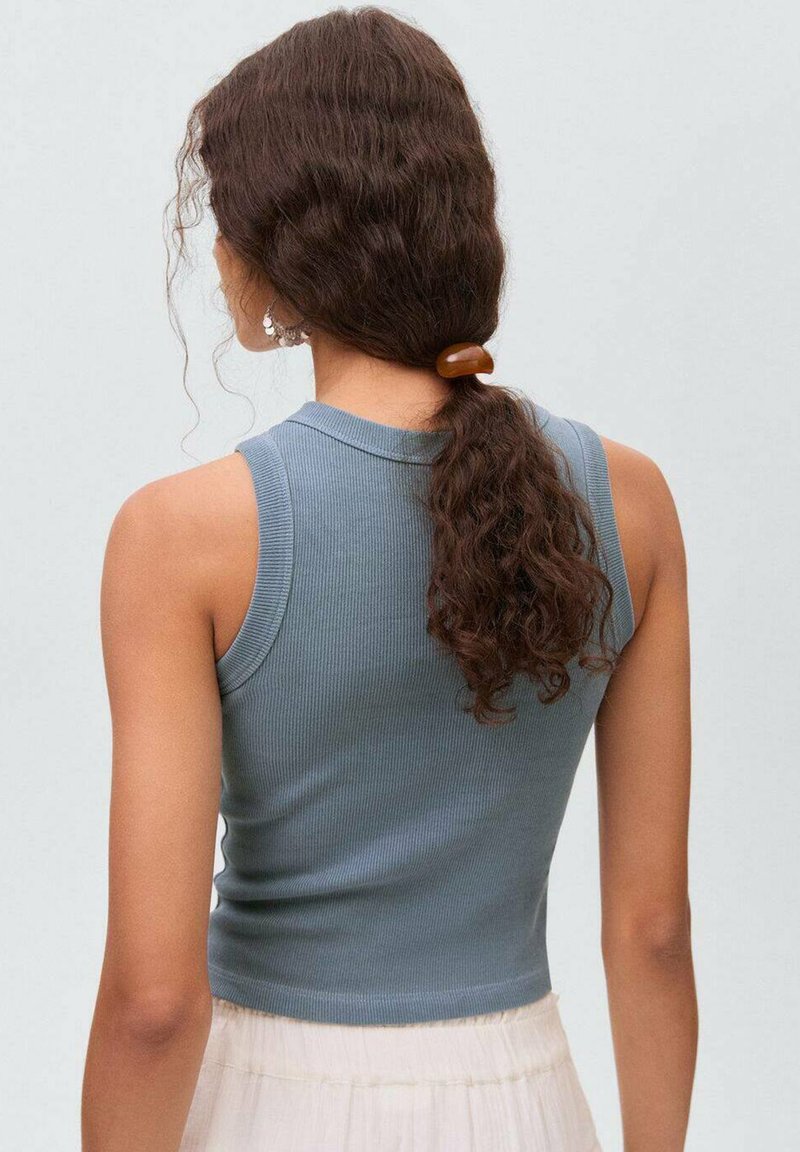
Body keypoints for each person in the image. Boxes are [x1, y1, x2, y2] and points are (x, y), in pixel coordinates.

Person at [81, 8, 697, 1151]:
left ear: (273, 250)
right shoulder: (632, 502)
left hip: (270, 1101)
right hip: (525, 1097)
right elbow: (652, 932)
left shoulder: (182, 536)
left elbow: (154, 1004)